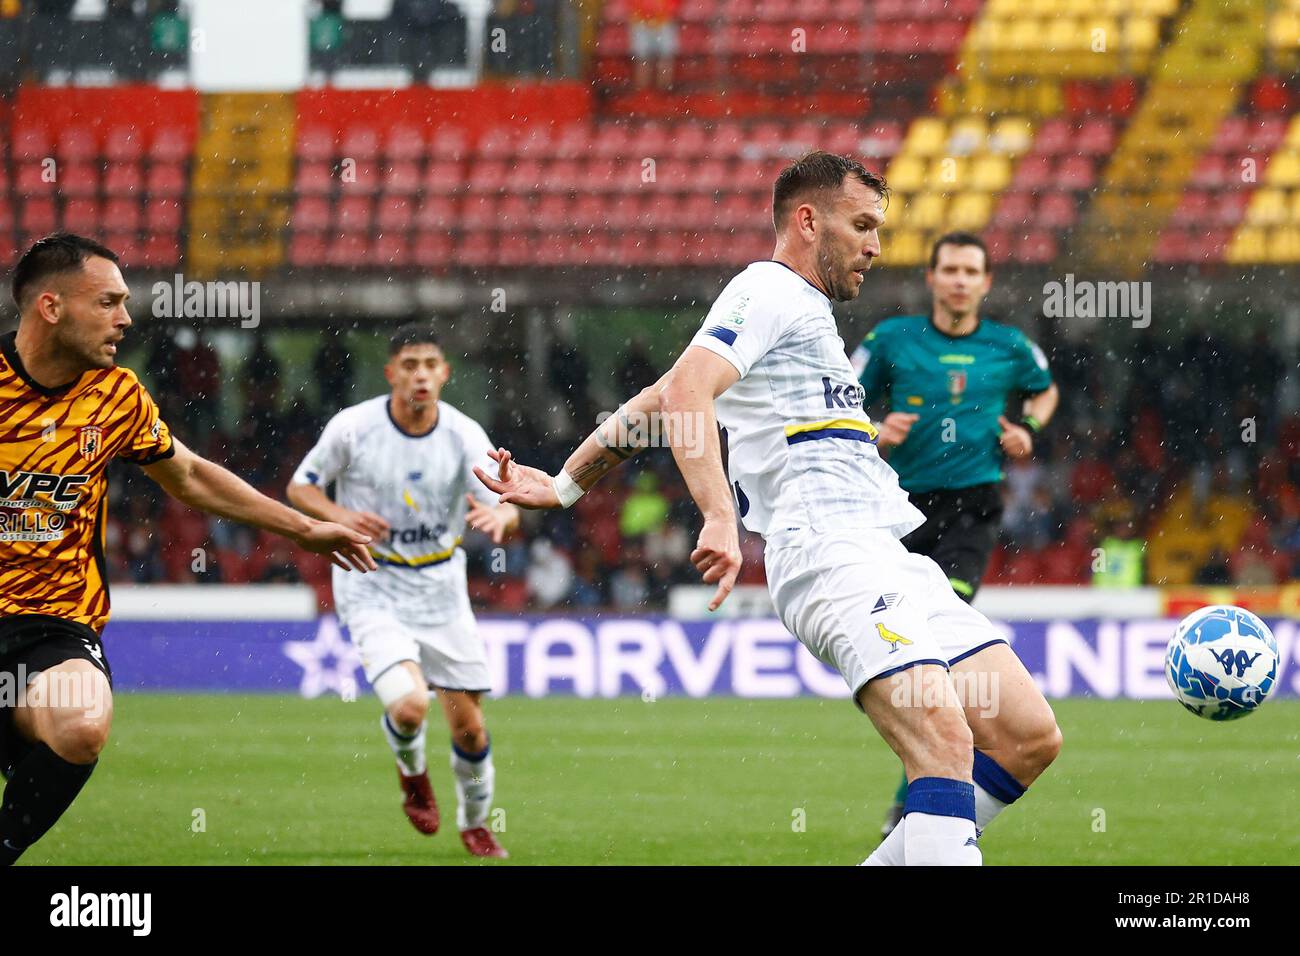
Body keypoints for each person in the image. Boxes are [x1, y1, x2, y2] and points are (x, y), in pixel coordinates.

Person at [475, 152, 1062, 865]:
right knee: (942, 740)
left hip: (888, 557)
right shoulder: (769, 288)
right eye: (864, 225)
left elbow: (661, 398)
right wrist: (717, 515)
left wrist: (565, 485)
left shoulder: (801, 313)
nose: (877, 245)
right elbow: (693, 390)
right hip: (829, 556)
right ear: (808, 220)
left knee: (1027, 735)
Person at [0, 234, 374, 865]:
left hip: (53, 628)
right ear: (51, 307)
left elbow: (192, 476)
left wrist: (306, 529)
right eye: (108, 302)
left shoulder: (115, 395)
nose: (125, 319)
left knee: (83, 723)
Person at [851, 231, 1060, 838]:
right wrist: (873, 427)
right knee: (904, 647)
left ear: (986, 282)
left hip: (972, 508)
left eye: (972, 270)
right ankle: (926, 769)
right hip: (900, 508)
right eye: (951, 269)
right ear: (933, 278)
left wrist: (1027, 427)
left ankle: (914, 796)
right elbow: (834, 400)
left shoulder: (1010, 346)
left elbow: (1044, 392)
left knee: (937, 637)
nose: (961, 279)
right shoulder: (891, 339)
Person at [287, 323, 520, 859]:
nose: (420, 374)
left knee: (470, 730)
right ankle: (413, 776)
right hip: (371, 580)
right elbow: (301, 487)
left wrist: (501, 518)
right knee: (412, 703)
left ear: (445, 373)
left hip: (441, 585)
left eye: (429, 364)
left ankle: (475, 823)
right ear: (391, 372)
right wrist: (341, 515)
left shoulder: (463, 435)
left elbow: (508, 501)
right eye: (409, 364)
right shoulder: (353, 428)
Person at [628, 0, 680, 90]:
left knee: (665, 58)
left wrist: (662, 9)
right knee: (642, 59)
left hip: (663, 20)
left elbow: (674, 5)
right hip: (641, 21)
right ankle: (643, 91)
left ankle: (663, 90)